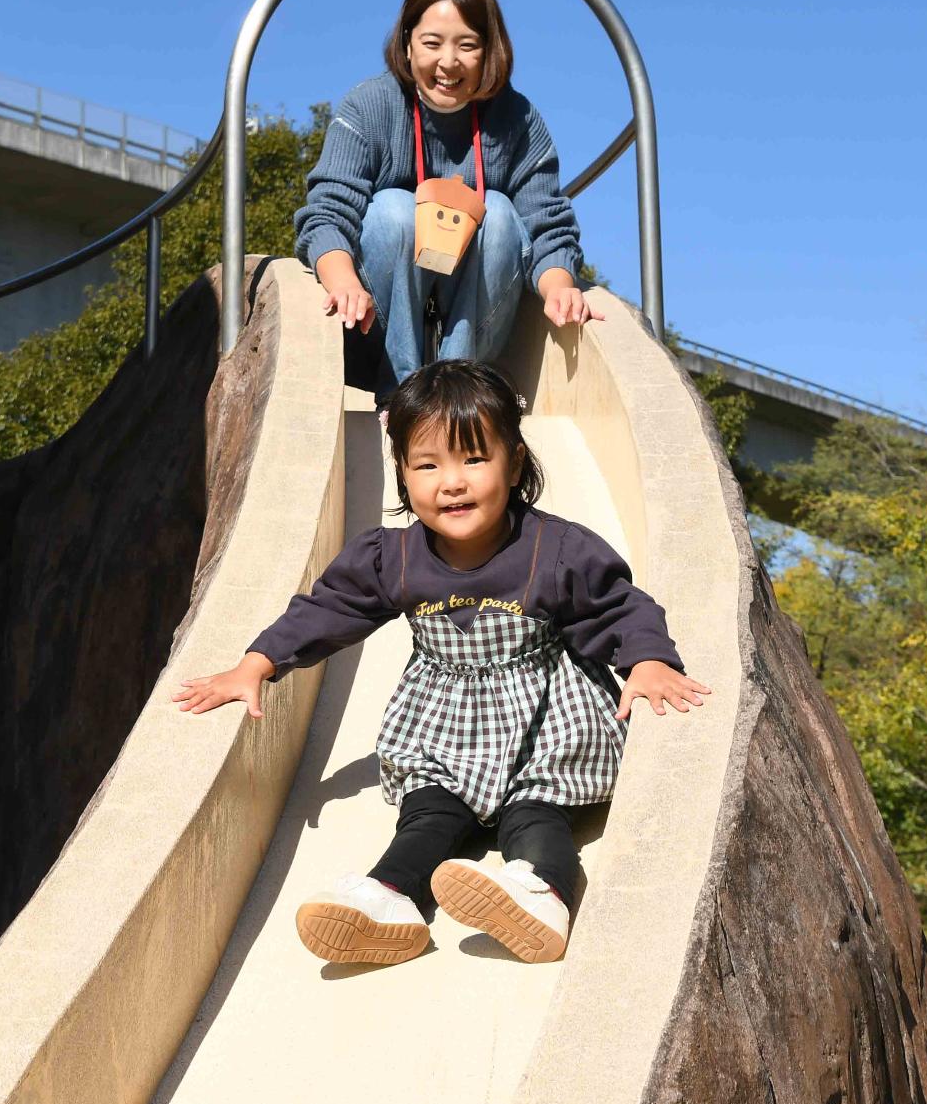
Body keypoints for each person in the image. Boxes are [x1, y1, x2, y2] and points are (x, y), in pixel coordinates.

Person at [173, 360, 708, 966]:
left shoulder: (556, 550)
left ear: (514, 462)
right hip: (446, 725)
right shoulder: (392, 557)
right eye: (427, 465)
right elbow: (327, 610)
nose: (451, 482)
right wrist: (257, 663)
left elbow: (618, 608)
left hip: (543, 720)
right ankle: (390, 897)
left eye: (474, 460)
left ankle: (540, 892)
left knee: (536, 816)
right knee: (426, 814)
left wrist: (648, 662)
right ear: (402, 474)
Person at [294, 0, 599, 398]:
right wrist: (343, 281)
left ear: (490, 50)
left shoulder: (519, 121)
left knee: (499, 212)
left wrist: (560, 288)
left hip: (474, 322)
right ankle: (402, 393)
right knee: (393, 210)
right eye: (432, 43)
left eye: (468, 45)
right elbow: (327, 211)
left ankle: (460, 385)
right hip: (378, 326)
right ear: (407, 42)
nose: (448, 62)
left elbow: (545, 223)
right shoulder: (370, 105)